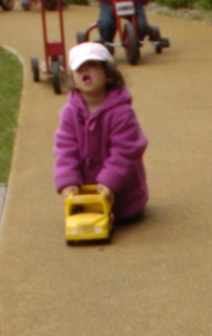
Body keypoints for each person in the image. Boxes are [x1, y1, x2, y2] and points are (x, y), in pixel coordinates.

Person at [54, 40, 148, 225]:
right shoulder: (69, 112)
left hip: (125, 198)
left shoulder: (121, 112)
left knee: (124, 219)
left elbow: (126, 150)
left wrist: (109, 181)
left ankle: (122, 207)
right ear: (73, 78)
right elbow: (65, 149)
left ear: (108, 73)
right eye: (79, 68)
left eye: (92, 65)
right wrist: (68, 181)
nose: (85, 70)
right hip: (87, 197)